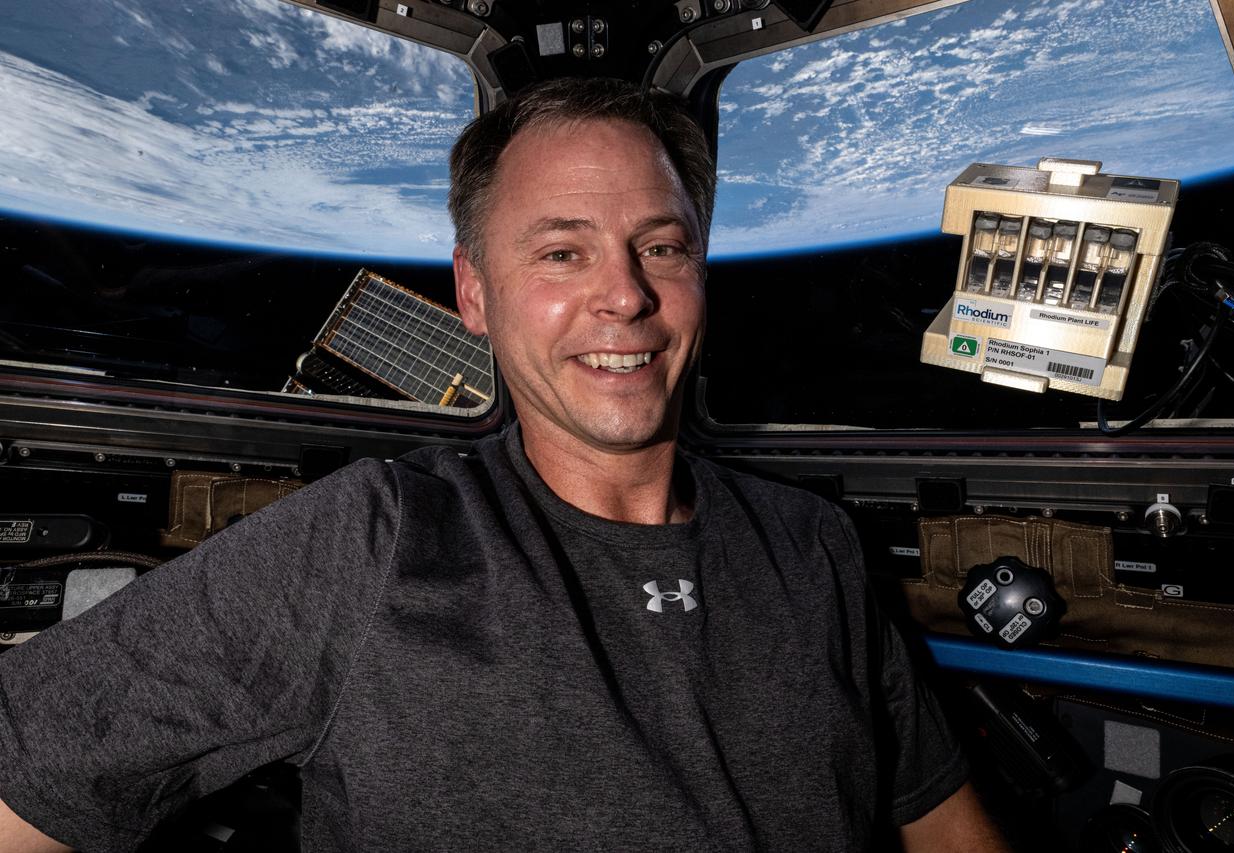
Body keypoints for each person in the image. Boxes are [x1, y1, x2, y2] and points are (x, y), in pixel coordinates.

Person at [0, 77, 1007, 852]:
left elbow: (945, 827)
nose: (625, 295)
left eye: (660, 247)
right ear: (474, 295)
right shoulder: (368, 544)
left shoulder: (813, 546)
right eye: (562, 253)